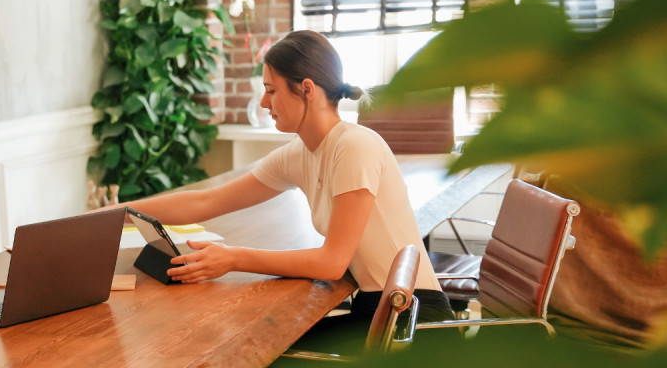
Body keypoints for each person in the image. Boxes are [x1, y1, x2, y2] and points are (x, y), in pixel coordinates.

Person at [113, 30, 454, 353]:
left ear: (306, 89)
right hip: (376, 313)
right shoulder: (301, 152)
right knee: (253, 343)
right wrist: (115, 215)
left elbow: (331, 263)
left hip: (411, 324)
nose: (263, 102)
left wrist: (232, 257)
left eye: (271, 90)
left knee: (252, 348)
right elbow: (207, 200)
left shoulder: (354, 147)